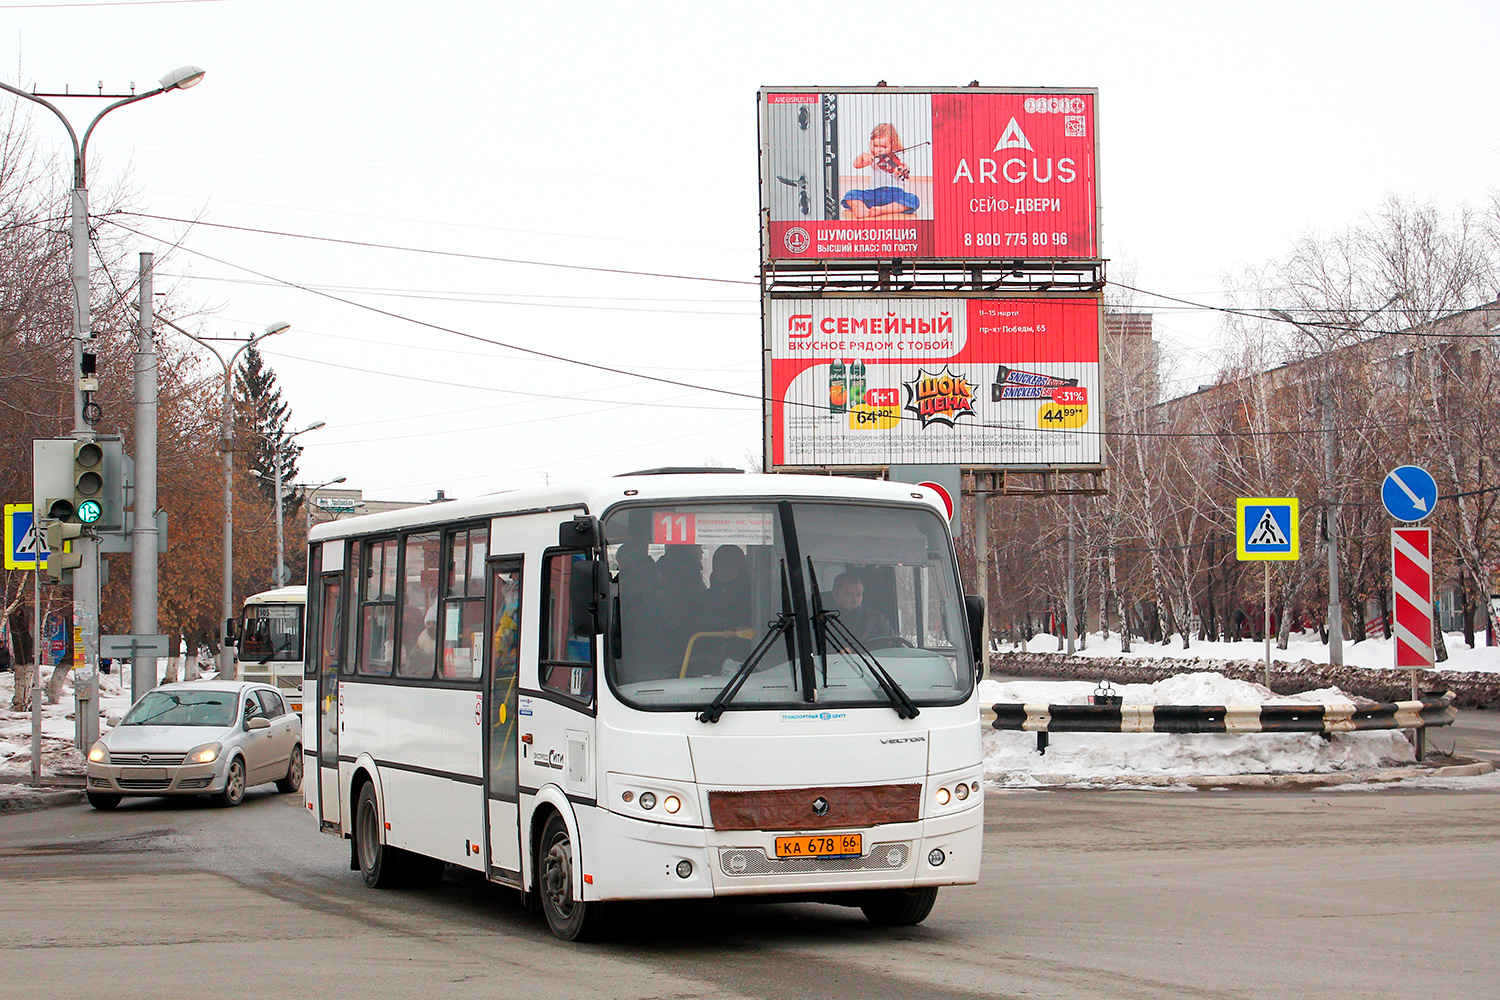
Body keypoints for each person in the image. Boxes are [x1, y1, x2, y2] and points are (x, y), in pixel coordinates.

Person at [841, 123, 920, 219]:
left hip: (895, 194)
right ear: (871, 144)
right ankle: (862, 208)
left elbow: (904, 166)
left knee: (913, 199)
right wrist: (863, 156)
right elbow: (856, 165)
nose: (879, 150)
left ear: (892, 144)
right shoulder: (872, 157)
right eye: (876, 145)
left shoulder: (897, 157)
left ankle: (882, 210)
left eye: (884, 147)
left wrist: (903, 169)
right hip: (873, 193)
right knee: (851, 194)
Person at [829, 571, 895, 643]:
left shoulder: (878, 619)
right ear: (836, 597)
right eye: (849, 595)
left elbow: (892, 645)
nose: (855, 600)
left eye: (859, 594)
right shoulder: (828, 623)